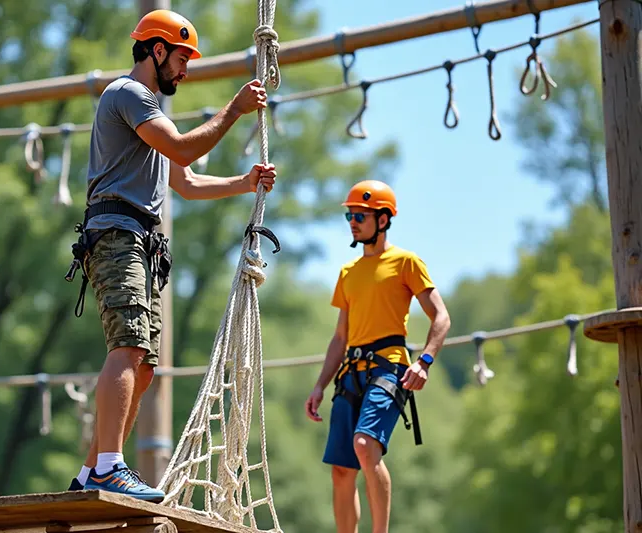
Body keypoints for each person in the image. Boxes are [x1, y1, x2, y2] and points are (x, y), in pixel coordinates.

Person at [65, 9, 277, 502]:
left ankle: (92, 469)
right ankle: (109, 467)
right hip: (117, 233)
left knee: (144, 366)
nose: (185, 71)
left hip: (139, 240)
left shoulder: (150, 111)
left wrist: (242, 184)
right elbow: (183, 151)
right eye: (182, 58)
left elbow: (184, 181)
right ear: (157, 50)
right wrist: (235, 108)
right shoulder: (128, 95)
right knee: (129, 347)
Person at [304, 180, 450, 533]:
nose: (352, 221)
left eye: (360, 215)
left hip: (390, 367)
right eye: (350, 215)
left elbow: (441, 317)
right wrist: (320, 385)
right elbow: (340, 337)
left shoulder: (405, 263)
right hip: (351, 372)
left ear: (383, 220)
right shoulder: (348, 273)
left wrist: (425, 361)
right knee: (342, 470)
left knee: (365, 444)